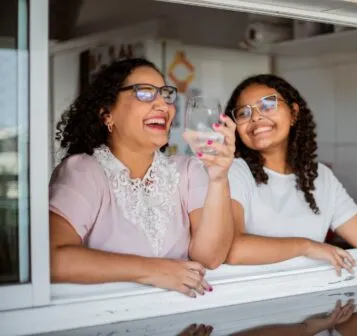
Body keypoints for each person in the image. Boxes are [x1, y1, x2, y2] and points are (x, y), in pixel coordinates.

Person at [49, 58, 236, 297]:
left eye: (166, 95)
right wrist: (153, 270)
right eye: (145, 93)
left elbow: (210, 257)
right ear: (107, 114)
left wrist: (219, 179)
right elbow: (53, 260)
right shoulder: (84, 172)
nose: (163, 105)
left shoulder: (188, 171)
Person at [224, 74, 357, 275]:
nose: (256, 117)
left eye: (268, 105)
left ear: (294, 113)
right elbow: (233, 249)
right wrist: (306, 246)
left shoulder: (320, 176)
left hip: (310, 298)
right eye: (243, 113)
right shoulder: (233, 172)